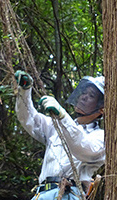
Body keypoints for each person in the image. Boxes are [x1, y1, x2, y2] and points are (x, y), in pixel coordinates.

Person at [14, 70, 105, 200]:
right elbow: (29, 119)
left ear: (101, 108)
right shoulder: (55, 126)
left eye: (91, 96)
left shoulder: (101, 137)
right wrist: (25, 90)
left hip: (70, 194)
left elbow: (83, 148)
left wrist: (62, 117)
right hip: (42, 194)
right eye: (83, 92)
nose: (84, 97)